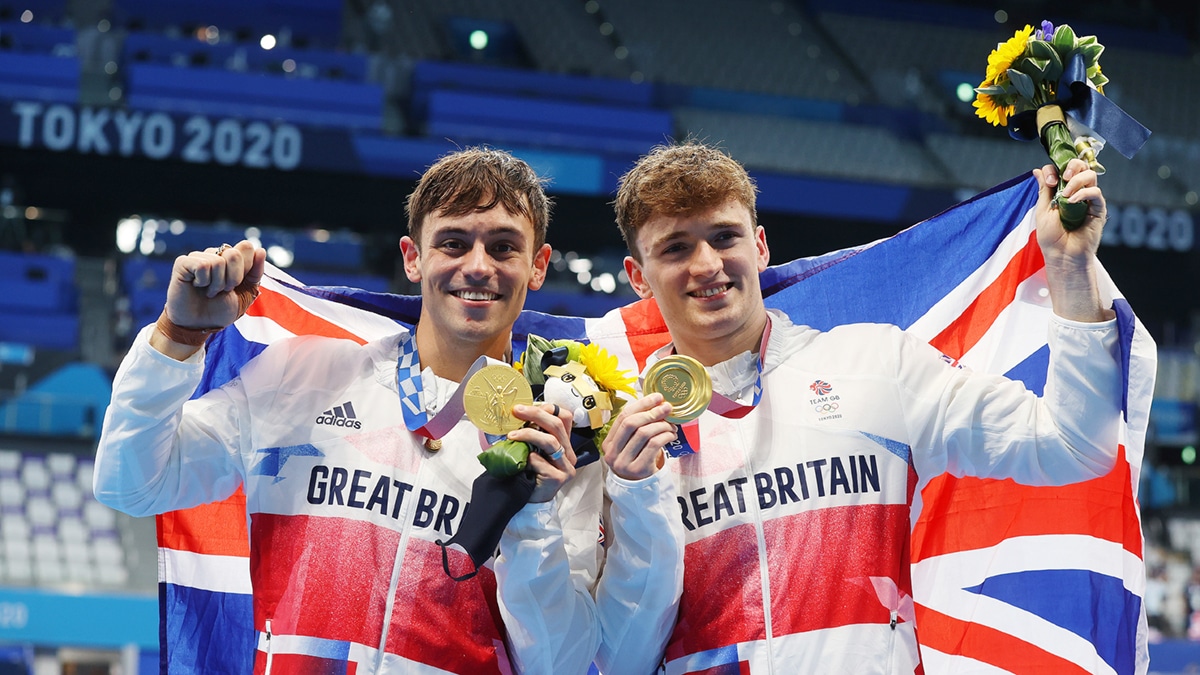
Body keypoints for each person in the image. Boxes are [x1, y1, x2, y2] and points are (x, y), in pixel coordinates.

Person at [93, 147, 641, 673]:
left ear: (538, 265)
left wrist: (533, 515)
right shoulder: (304, 375)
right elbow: (132, 484)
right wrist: (177, 337)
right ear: (412, 257)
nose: (478, 266)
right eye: (452, 243)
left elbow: (560, 662)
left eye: (503, 247)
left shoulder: (559, 439)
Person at [593, 141, 1121, 673]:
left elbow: (1073, 447)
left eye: (723, 237)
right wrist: (635, 495)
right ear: (638, 277)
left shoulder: (875, 365)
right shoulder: (623, 439)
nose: (707, 265)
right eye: (676, 248)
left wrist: (1071, 270)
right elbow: (622, 661)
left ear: (759, 247)